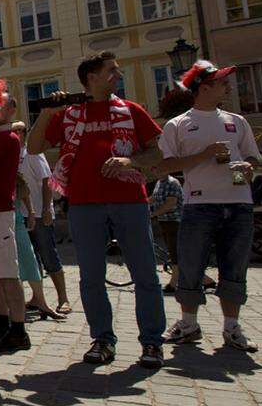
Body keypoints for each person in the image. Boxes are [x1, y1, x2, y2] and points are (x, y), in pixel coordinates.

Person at [27, 50, 166, 369]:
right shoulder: (69, 114)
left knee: (145, 274)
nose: (119, 75)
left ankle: (152, 343)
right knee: (91, 277)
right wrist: (48, 112)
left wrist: (131, 161)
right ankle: (102, 339)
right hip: (84, 204)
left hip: (130, 201)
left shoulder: (131, 111)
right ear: (92, 78)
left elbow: (156, 153)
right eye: (112, 71)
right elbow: (34, 148)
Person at [156, 61, 261, 353]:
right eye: (221, 82)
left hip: (239, 204)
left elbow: (253, 158)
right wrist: (204, 154)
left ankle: (232, 328)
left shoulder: (236, 121)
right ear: (204, 88)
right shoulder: (178, 124)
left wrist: (247, 168)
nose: (228, 87)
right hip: (200, 204)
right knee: (190, 266)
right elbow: (167, 164)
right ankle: (188, 323)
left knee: (235, 267)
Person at [0, 84, 30, 353]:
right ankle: (2, 322)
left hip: (0, 210)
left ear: (11, 109)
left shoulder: (7, 138)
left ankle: (18, 328)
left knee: (7, 273)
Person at [20, 137, 70, 315]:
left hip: (40, 214)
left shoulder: (32, 153)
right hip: (23, 214)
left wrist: (46, 209)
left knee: (49, 254)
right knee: (32, 259)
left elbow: (46, 181)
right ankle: (37, 297)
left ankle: (63, 298)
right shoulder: (12, 153)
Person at [149, 172, 183, 292]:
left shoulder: (172, 182)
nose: (154, 170)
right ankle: (207, 281)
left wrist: (152, 214)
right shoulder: (159, 183)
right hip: (164, 221)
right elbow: (154, 198)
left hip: (174, 221)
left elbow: (170, 203)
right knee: (173, 251)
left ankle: (173, 284)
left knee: (175, 252)